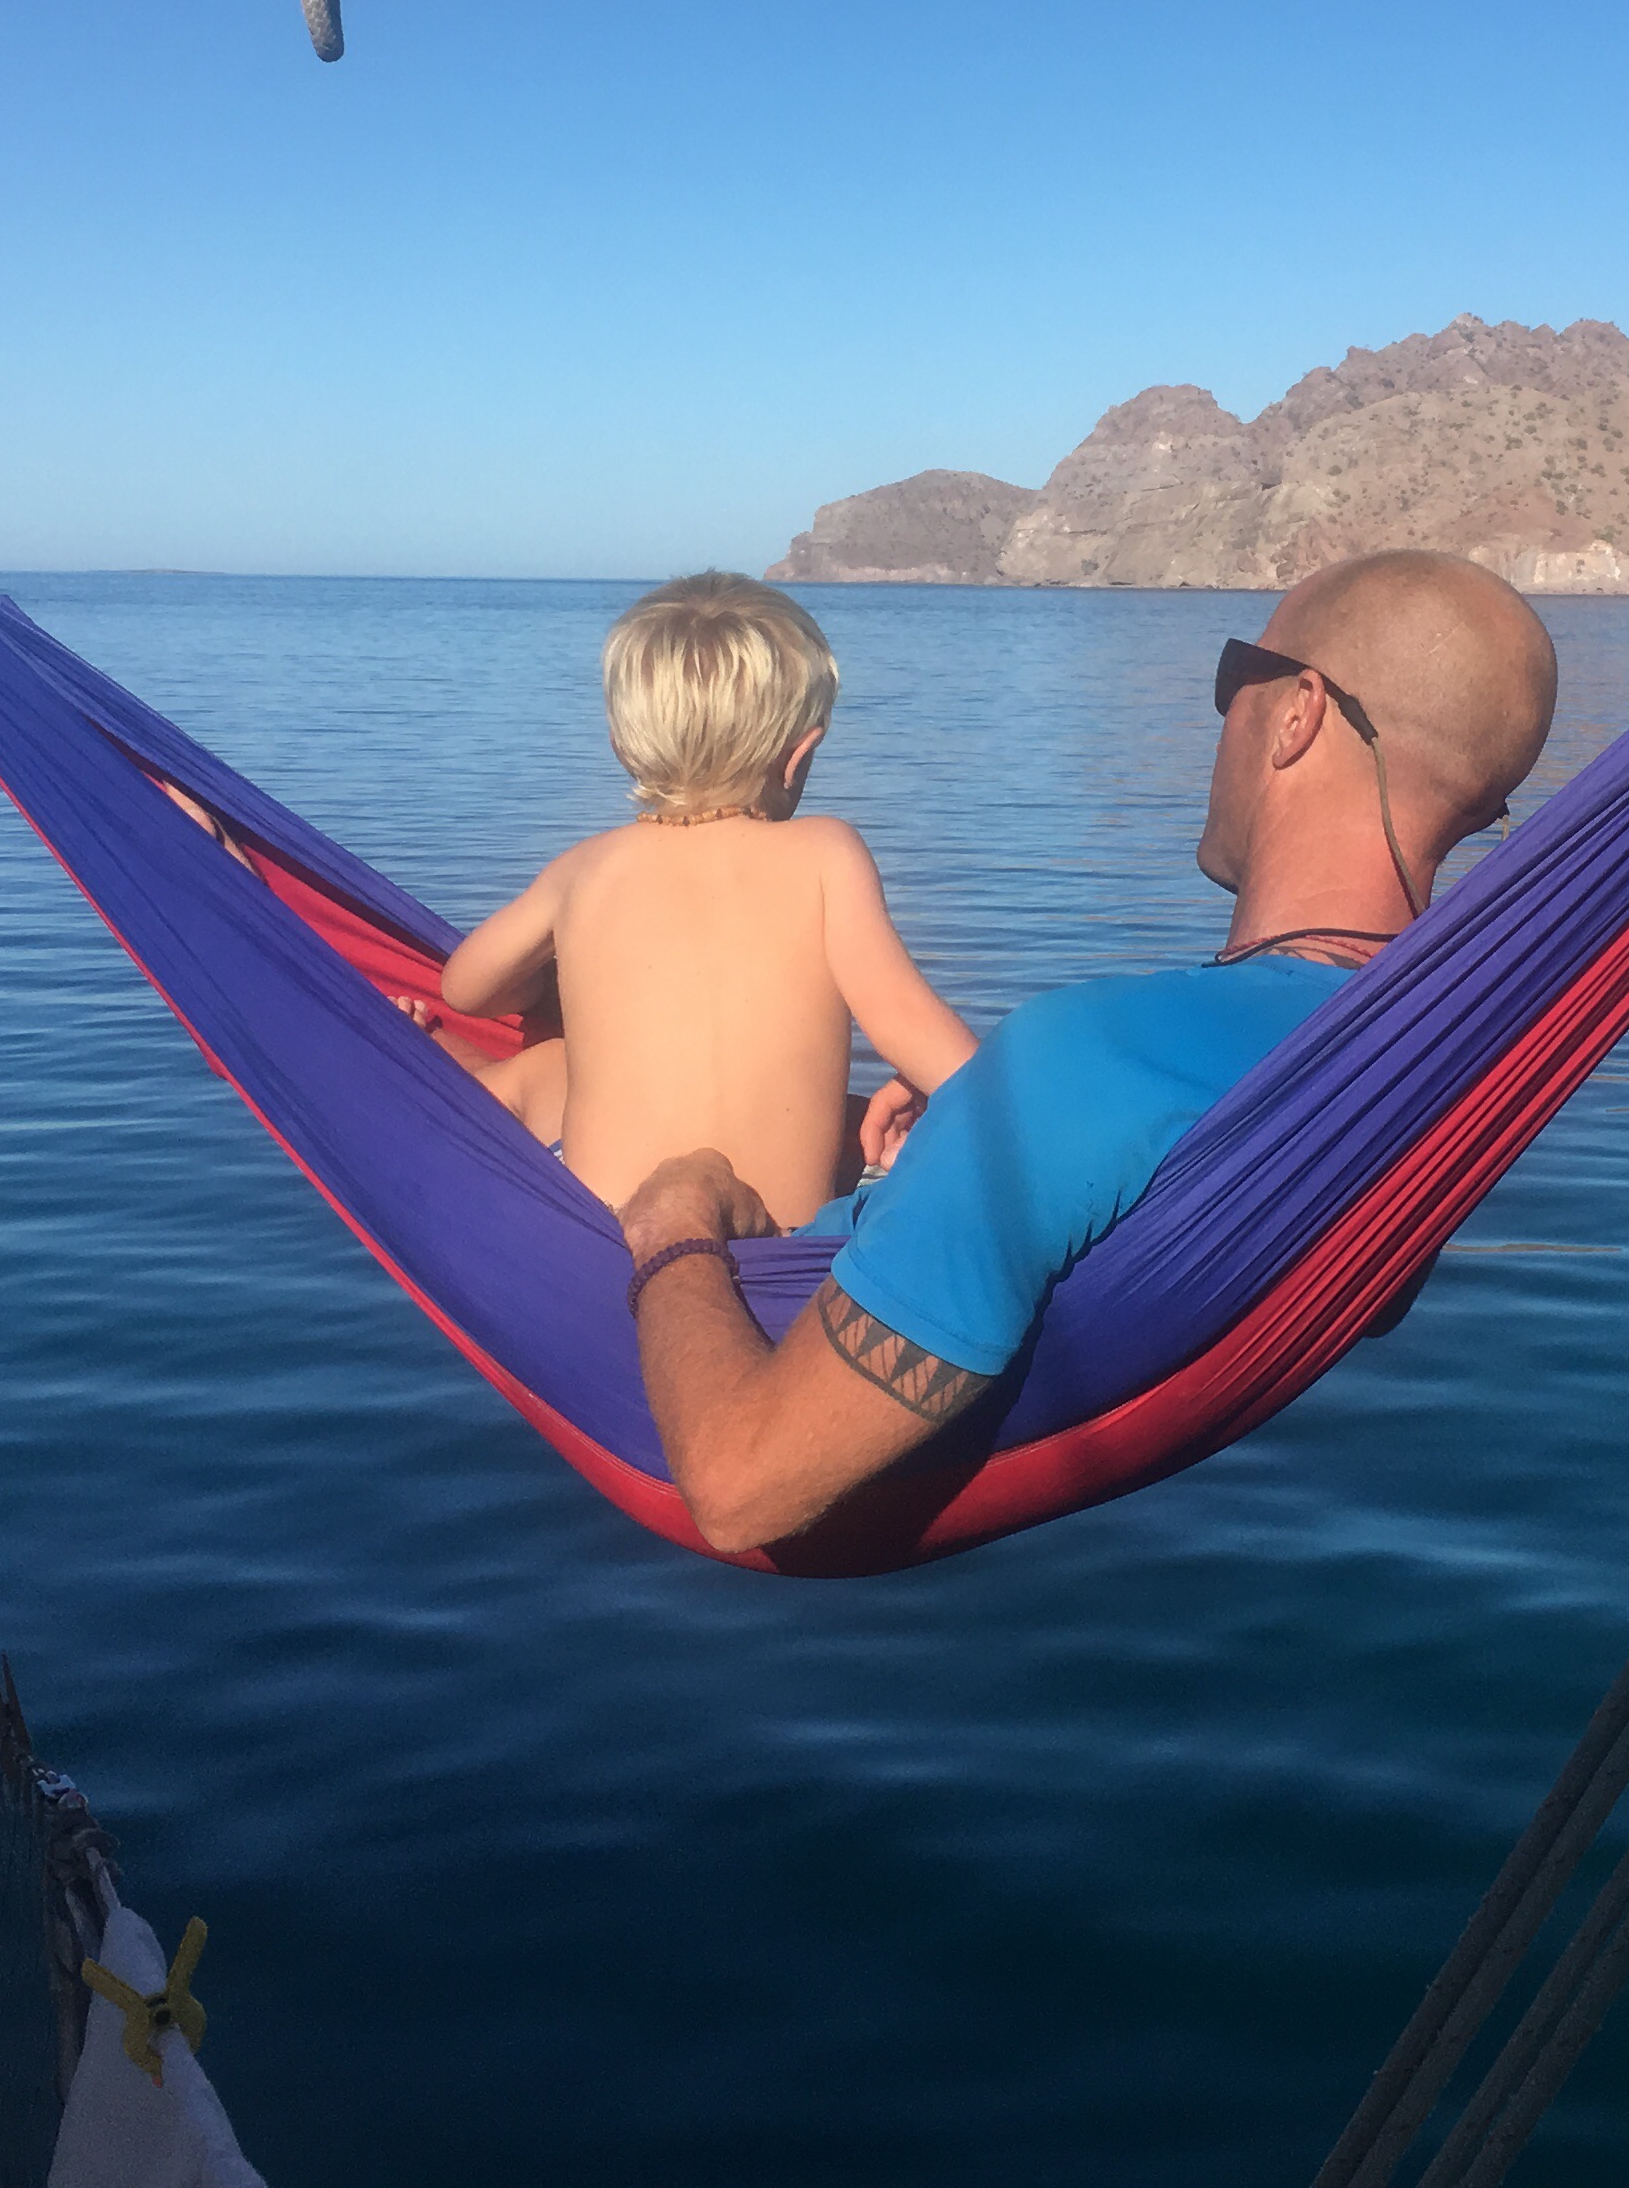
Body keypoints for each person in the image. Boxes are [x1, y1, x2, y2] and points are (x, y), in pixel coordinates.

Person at [615, 549, 1558, 1554]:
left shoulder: (1081, 1061)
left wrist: (678, 1214)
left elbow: (741, 1485)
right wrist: (954, 1150)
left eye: (1233, 678)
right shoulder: (1428, 1061)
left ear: (1298, 714)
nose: (1218, 721)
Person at [431, 574, 979, 1223]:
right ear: (799, 754)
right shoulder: (826, 853)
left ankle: (428, 1061)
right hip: (779, 1241)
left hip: (608, 1233)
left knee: (550, 1061)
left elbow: (464, 989)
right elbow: (906, 1021)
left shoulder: (584, 869)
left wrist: (551, 982)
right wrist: (985, 1099)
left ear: (622, 749)